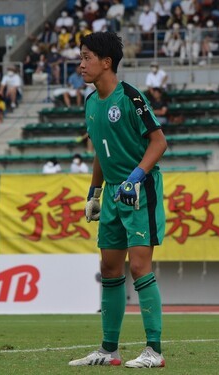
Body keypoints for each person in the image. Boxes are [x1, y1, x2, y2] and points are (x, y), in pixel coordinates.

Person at [69, 32, 167, 368]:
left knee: (139, 267)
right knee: (109, 268)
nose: (81, 64)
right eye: (81, 58)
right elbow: (100, 151)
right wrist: (94, 193)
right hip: (112, 192)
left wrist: (135, 178)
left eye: (87, 58)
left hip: (139, 190)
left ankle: (154, 351)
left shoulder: (131, 98)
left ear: (106, 62)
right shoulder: (90, 102)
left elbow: (159, 143)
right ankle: (109, 351)